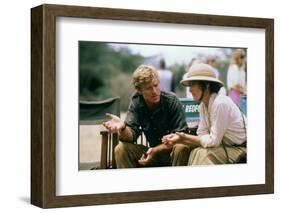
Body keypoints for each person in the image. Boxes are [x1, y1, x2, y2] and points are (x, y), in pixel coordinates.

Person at [103, 64, 189, 168]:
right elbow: (130, 136)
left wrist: (155, 150)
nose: (154, 91)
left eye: (156, 85)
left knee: (181, 147)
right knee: (120, 149)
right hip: (151, 154)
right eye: (148, 88)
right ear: (139, 90)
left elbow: (182, 138)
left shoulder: (171, 101)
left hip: (172, 153)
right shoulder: (137, 101)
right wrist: (123, 128)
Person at [162, 63, 247, 165]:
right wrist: (180, 139)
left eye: (193, 84)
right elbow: (202, 134)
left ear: (206, 85)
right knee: (187, 149)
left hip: (241, 150)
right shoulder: (203, 106)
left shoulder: (220, 103)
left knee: (203, 155)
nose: (189, 89)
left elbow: (212, 141)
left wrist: (184, 137)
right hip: (225, 146)